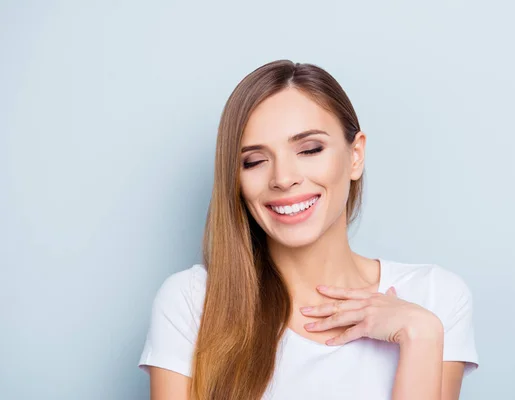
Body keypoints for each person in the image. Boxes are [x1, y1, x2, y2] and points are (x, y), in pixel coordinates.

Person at [138, 60, 479, 400]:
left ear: (355, 155)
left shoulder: (434, 298)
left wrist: (420, 335)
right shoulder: (192, 301)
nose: (283, 178)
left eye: (310, 149)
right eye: (255, 161)